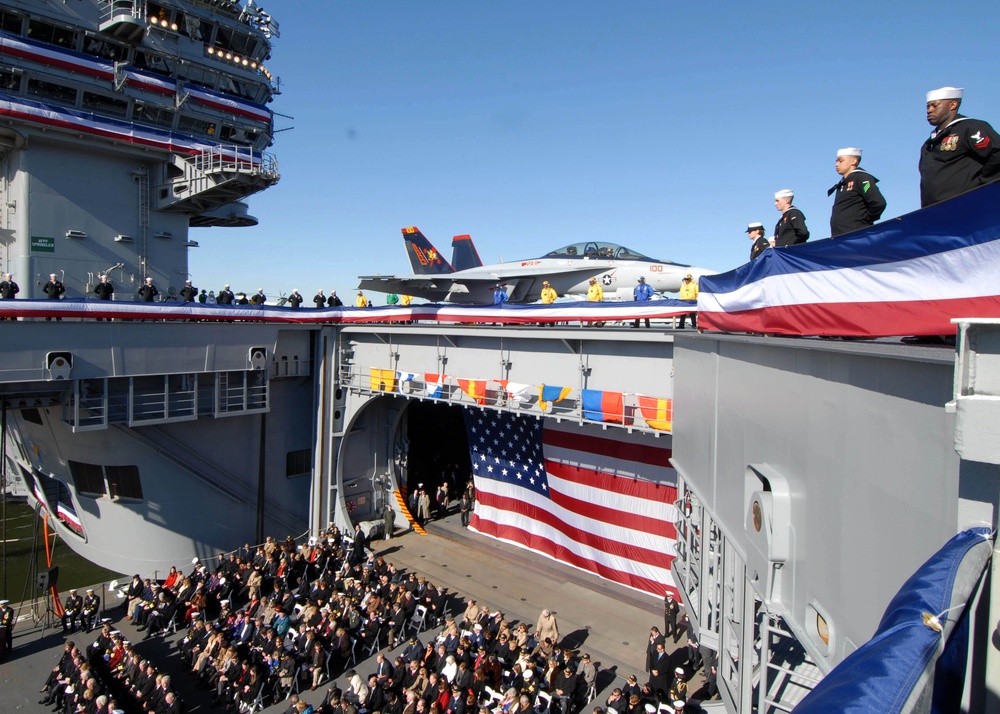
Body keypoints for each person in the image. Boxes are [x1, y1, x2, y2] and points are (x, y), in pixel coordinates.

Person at [919, 87, 1000, 207]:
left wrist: (982, 186)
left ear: (952, 105)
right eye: (928, 106)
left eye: (934, 105)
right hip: (935, 213)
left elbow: (997, 153)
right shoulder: (928, 143)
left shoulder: (970, 127)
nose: (929, 110)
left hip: (968, 207)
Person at [828, 147, 887, 237]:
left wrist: (864, 220)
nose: (836, 164)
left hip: (856, 236)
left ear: (853, 161)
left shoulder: (862, 178)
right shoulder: (843, 183)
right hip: (839, 237)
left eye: (840, 161)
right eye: (836, 161)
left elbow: (878, 202)